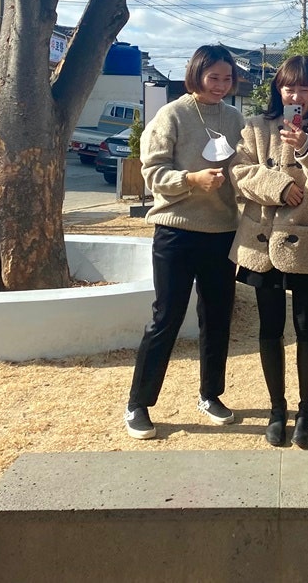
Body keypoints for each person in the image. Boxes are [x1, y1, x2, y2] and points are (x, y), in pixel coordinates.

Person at [124, 45, 245, 440]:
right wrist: (191, 180)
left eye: (227, 78)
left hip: (222, 233)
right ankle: (138, 403)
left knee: (217, 317)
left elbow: (245, 169)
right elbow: (152, 172)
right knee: (167, 317)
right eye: (213, 77)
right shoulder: (172, 114)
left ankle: (211, 394)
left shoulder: (235, 119)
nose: (221, 85)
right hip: (175, 232)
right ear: (196, 75)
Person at [230, 56, 308, 449]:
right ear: (277, 89)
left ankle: (306, 411)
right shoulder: (256, 126)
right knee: (269, 329)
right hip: (262, 241)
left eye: (304, 88)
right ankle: (276, 409)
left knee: (306, 329)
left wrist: (307, 147)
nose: (296, 96)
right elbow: (239, 172)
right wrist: (278, 187)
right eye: (289, 87)